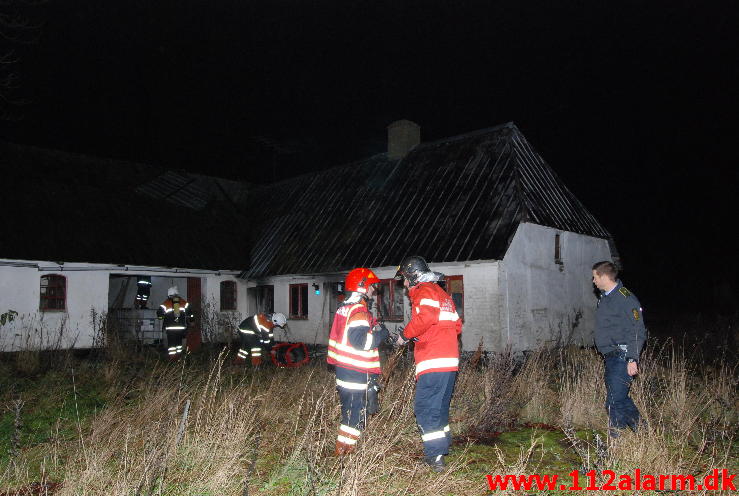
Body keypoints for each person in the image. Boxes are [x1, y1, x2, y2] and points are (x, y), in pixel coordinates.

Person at [395, 256, 462, 472]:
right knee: (439, 408)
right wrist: (426, 336)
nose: (405, 285)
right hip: (450, 360)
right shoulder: (442, 294)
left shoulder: (424, 291)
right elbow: (456, 326)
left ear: (414, 275)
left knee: (424, 407)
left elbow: (425, 318)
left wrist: (405, 336)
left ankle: (434, 457)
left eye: (405, 279)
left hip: (433, 359)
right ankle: (442, 447)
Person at [327, 267, 389, 455]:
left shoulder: (345, 308)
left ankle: (343, 449)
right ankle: (346, 452)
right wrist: (381, 335)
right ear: (362, 287)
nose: (372, 290)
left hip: (345, 369)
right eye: (371, 287)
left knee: (350, 412)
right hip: (355, 372)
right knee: (355, 414)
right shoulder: (358, 310)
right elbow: (361, 341)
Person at [591, 260, 647, 436]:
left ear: (604, 276)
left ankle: (616, 438)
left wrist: (633, 358)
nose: (593, 281)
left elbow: (637, 330)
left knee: (613, 401)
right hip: (610, 356)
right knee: (619, 398)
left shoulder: (625, 298)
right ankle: (643, 429)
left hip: (622, 355)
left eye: (594, 277)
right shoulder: (606, 298)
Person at [157, 286, 194, 360]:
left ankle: (173, 360)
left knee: (171, 346)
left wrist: (162, 317)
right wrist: (192, 321)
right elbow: (190, 313)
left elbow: (159, 314)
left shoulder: (166, 303)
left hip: (170, 329)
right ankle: (179, 358)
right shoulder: (184, 302)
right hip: (181, 329)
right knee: (179, 344)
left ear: (169, 294)